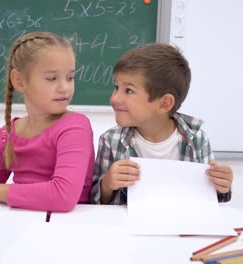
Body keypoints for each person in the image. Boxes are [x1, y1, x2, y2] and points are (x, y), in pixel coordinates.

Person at [0, 32, 95, 212]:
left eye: (70, 77)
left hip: (64, 228)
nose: (65, 87)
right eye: (52, 78)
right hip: (19, 225)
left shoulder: (75, 127)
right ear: (20, 81)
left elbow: (63, 196)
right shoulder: (7, 133)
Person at [90, 43, 233, 205]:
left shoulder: (197, 140)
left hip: (181, 226)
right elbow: (96, 203)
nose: (114, 98)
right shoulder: (110, 141)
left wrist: (222, 186)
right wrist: (107, 184)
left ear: (164, 104)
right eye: (116, 87)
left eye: (128, 90)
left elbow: (211, 199)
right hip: (128, 227)